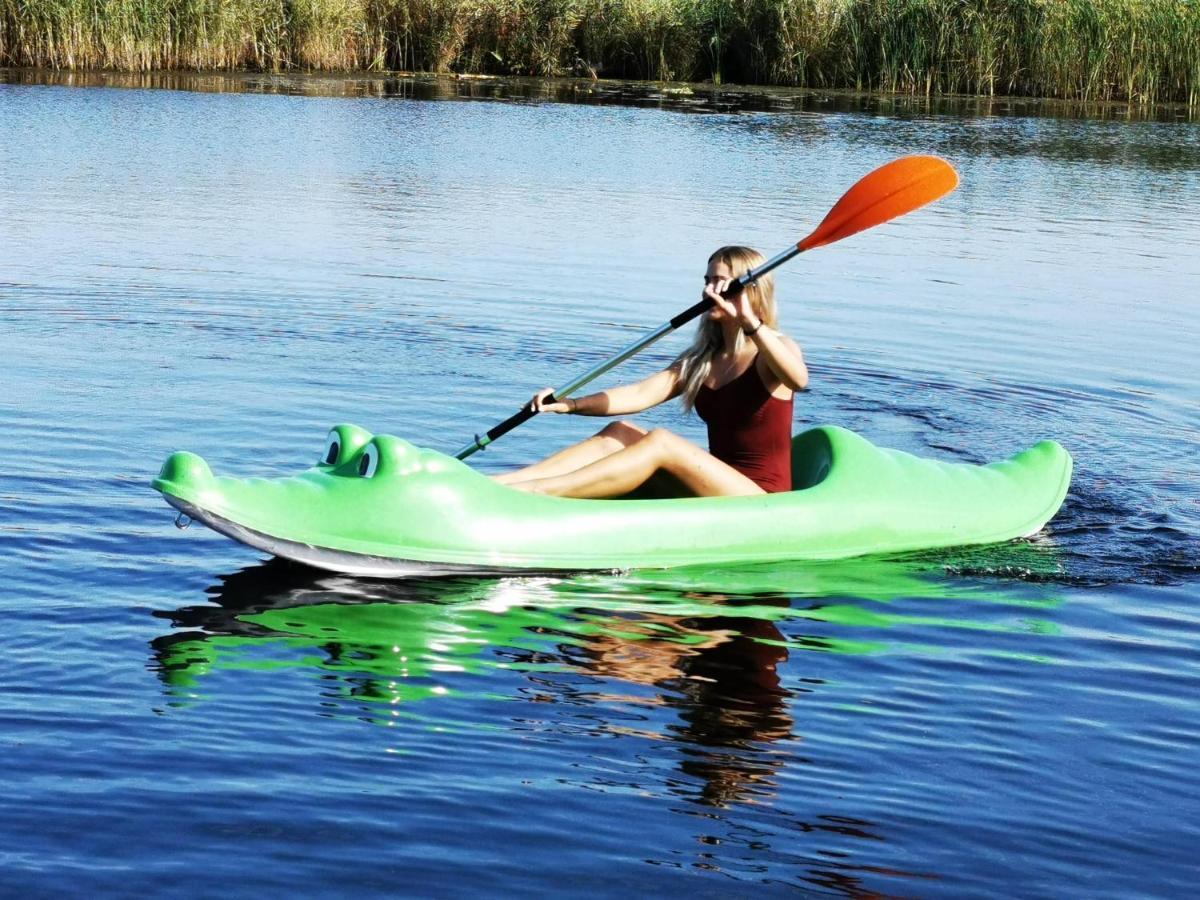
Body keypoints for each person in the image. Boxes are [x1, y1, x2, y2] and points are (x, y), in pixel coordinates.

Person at [494, 246, 809, 498]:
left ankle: (536, 494)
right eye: (707, 281)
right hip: (711, 484)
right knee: (621, 431)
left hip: (760, 497)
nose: (709, 291)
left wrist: (749, 322)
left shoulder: (776, 347)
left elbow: (797, 379)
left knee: (661, 441)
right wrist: (570, 404)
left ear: (748, 289)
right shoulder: (701, 360)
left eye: (721, 283)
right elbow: (640, 394)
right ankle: (498, 485)